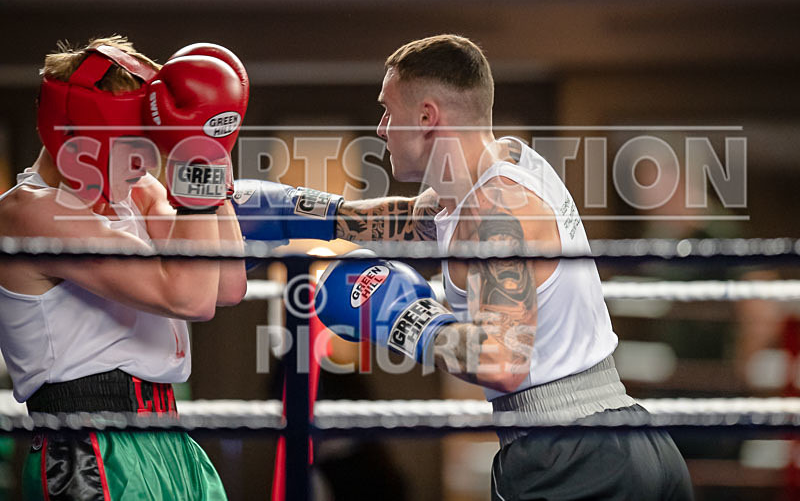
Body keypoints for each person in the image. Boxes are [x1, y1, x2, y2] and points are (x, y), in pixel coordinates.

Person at [234, 35, 692, 499]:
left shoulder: (497, 211)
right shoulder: (495, 170)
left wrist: (403, 316)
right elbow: (403, 221)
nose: (381, 129)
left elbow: (502, 362)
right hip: (622, 438)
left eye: (389, 112)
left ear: (427, 117)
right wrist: (291, 210)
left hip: (571, 456)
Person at [0, 36, 248, 499]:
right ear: (80, 136)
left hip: (170, 439)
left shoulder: (137, 192)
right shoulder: (29, 214)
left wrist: (210, 151)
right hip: (90, 448)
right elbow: (188, 298)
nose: (149, 161)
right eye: (134, 144)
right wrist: (195, 165)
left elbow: (226, 286)